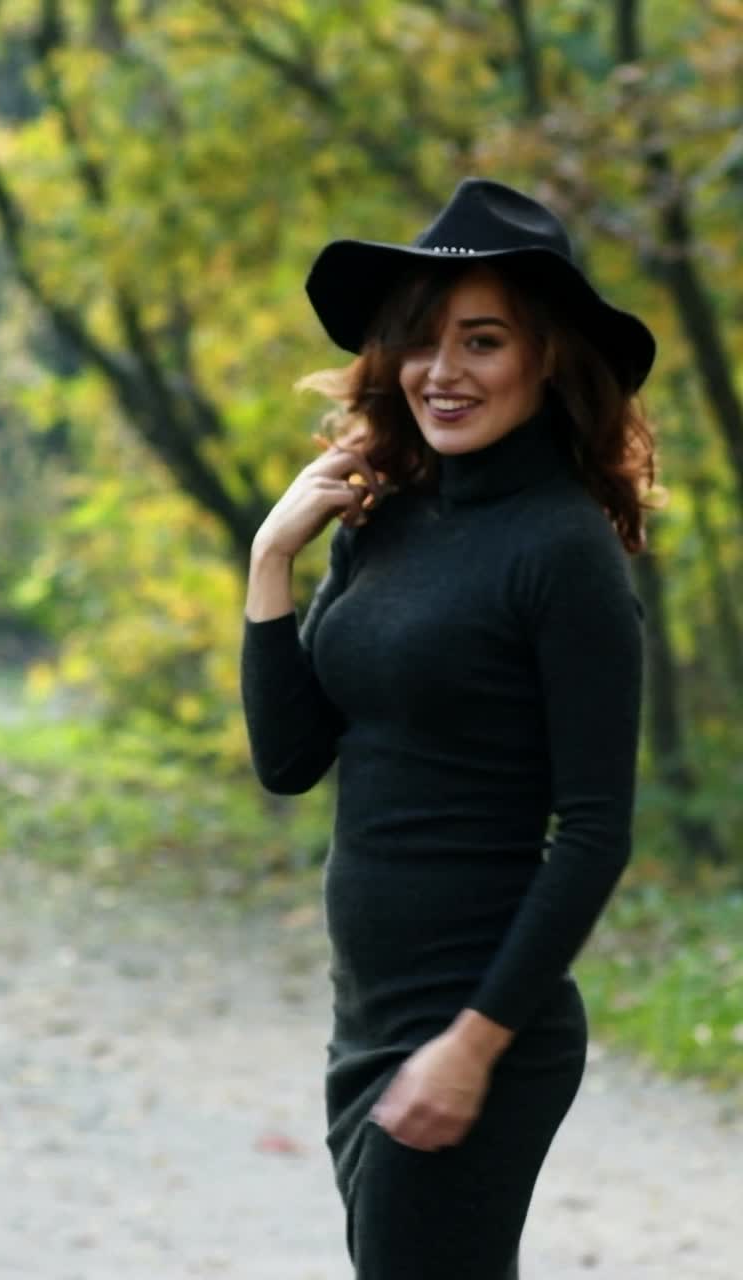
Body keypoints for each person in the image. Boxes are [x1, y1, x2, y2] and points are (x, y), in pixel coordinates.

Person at [239, 178, 655, 1279]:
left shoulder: (563, 551)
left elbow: (594, 832)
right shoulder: (383, 523)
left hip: (475, 1027)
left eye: (481, 340)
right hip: (369, 1023)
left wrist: (473, 1043)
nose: (441, 370)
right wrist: (270, 560)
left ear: (546, 359)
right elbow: (290, 759)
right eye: (422, 339)